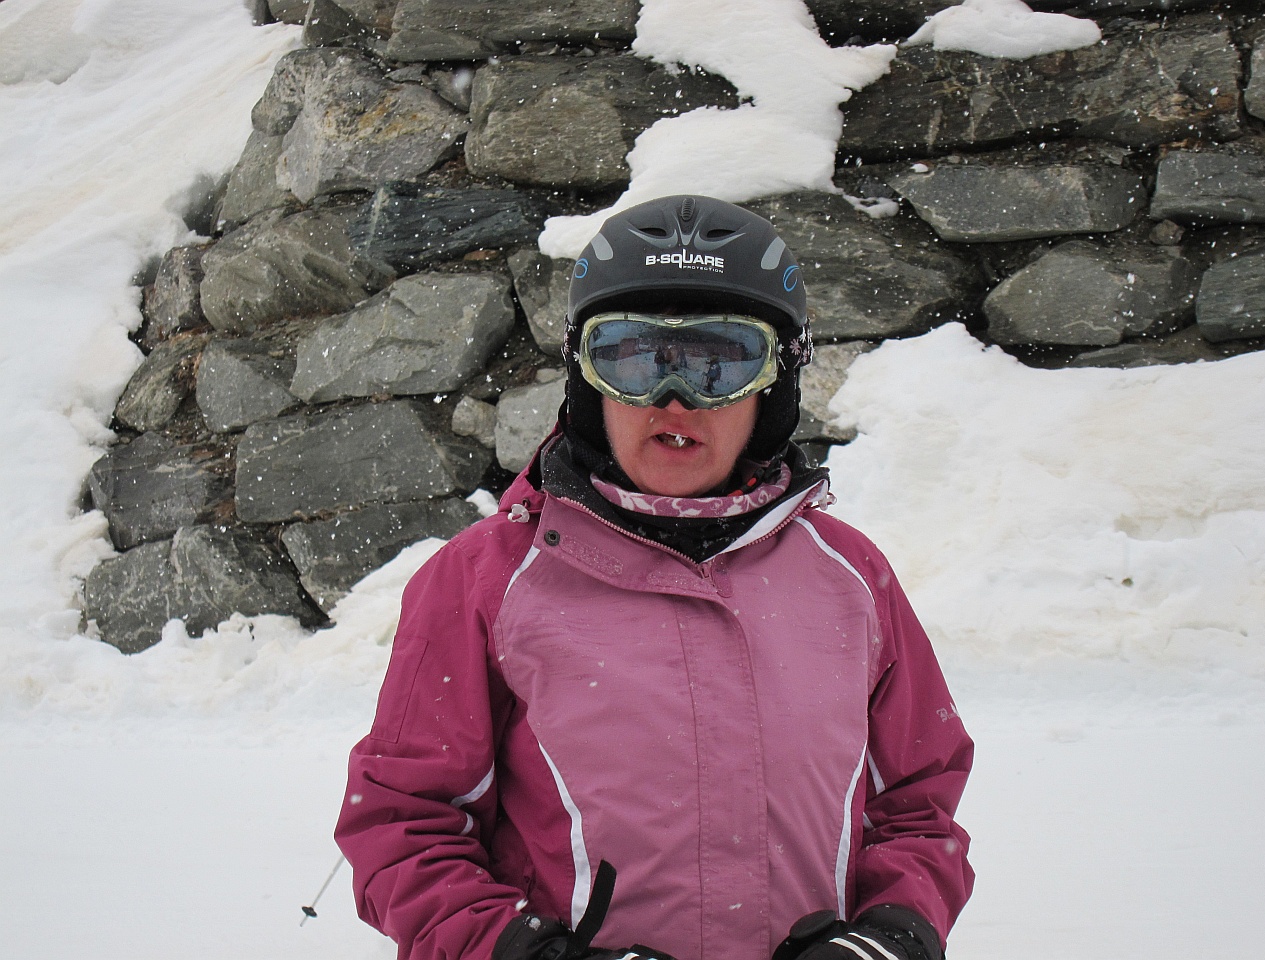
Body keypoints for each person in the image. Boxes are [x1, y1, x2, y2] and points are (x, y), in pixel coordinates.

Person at [335, 195, 974, 960]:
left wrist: (893, 934)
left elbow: (919, 807)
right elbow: (405, 822)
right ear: (585, 378)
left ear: (775, 381)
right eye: (632, 358)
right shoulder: (484, 580)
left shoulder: (851, 578)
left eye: (720, 361)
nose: (674, 400)